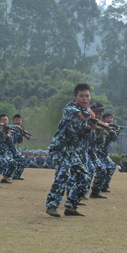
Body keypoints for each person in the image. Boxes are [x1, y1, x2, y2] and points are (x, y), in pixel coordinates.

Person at [45, 83, 93, 217]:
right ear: (75, 97)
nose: (84, 99)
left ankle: (71, 207)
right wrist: (80, 114)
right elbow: (71, 112)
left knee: (85, 177)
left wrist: (90, 129)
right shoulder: (70, 108)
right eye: (81, 96)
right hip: (59, 150)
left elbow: (84, 135)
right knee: (64, 171)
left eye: (87, 96)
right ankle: (52, 206)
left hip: (72, 152)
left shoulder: (88, 114)